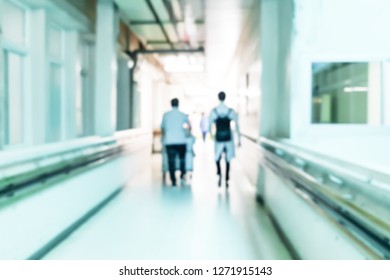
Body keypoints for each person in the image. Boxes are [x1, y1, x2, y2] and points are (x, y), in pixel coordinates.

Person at [209, 91, 241, 189]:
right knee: (228, 159)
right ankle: (226, 178)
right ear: (225, 97)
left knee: (217, 157)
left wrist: (212, 136)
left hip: (219, 138)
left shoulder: (214, 111)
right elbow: (237, 126)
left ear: (218, 98)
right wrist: (239, 139)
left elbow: (210, 125)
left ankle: (219, 173)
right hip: (228, 138)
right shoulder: (230, 111)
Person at [161, 98, 190, 186]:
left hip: (169, 141)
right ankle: (182, 176)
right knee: (182, 159)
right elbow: (189, 126)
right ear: (178, 104)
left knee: (171, 160)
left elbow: (162, 127)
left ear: (171, 104)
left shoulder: (166, 115)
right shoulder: (183, 115)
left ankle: (173, 179)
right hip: (181, 140)